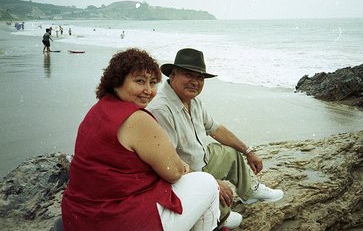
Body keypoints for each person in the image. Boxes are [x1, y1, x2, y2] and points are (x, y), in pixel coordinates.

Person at [61, 48, 220, 231]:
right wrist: (178, 165)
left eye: (153, 83)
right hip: (116, 219)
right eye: (139, 81)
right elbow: (174, 172)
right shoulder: (137, 119)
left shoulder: (98, 110)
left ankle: (216, 218)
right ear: (117, 82)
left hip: (80, 214)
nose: (148, 91)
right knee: (207, 182)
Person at [148, 48, 284, 229]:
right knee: (227, 212)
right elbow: (169, 164)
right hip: (180, 178)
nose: (195, 82)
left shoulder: (193, 100)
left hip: (199, 162)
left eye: (200, 78)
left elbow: (215, 129)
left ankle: (250, 192)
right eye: (189, 75)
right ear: (173, 75)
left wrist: (249, 151)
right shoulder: (161, 109)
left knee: (230, 151)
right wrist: (212, 183)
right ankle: (221, 218)